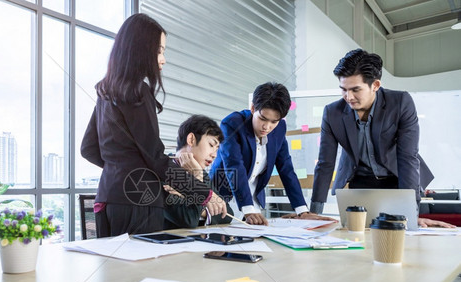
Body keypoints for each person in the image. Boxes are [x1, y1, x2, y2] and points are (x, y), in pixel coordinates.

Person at [81, 14, 227, 237]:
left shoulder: (107, 91)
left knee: (114, 270)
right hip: (139, 205)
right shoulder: (138, 92)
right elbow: (156, 158)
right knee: (138, 271)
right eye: (159, 50)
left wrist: (124, 170)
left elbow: (88, 149)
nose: (163, 59)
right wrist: (204, 194)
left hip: (107, 201)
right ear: (140, 50)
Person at [310, 48, 454, 228]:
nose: (349, 97)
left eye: (356, 90)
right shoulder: (332, 113)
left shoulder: (400, 103)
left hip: (397, 178)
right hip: (360, 182)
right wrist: (314, 213)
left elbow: (407, 157)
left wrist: (410, 213)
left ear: (375, 85)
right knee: (360, 235)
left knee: (400, 233)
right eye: (344, 90)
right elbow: (325, 163)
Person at [210, 82, 335, 226]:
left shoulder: (279, 128)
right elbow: (234, 165)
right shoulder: (232, 123)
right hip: (223, 200)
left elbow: (286, 168)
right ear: (252, 108)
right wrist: (248, 209)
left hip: (253, 203)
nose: (267, 127)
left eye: (274, 121)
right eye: (262, 118)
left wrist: (302, 210)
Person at [163, 115, 233, 229]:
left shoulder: (201, 172)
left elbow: (227, 214)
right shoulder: (163, 171)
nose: (214, 155)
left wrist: (190, 200)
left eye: (217, 149)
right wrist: (197, 178)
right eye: (211, 145)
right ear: (191, 139)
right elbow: (189, 220)